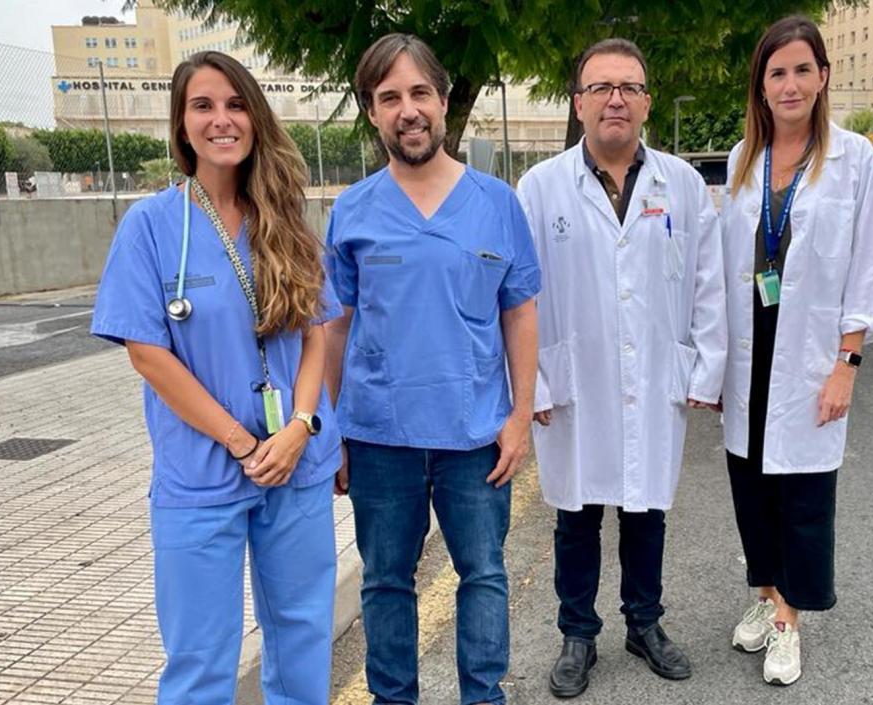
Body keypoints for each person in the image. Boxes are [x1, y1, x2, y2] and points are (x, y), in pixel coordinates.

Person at [90, 51, 342, 705]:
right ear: (180, 124)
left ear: (255, 118)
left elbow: (316, 334)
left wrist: (300, 427)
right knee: (201, 657)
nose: (221, 119)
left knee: (302, 637)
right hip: (200, 476)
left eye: (235, 104)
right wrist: (239, 439)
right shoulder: (150, 226)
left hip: (295, 465)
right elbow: (147, 353)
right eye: (203, 105)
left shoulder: (286, 218)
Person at [324, 34, 541, 705]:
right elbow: (333, 324)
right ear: (372, 112)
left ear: (444, 102)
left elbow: (520, 313)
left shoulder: (497, 202)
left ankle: (484, 695)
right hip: (380, 436)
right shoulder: (353, 211)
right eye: (390, 97)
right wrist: (330, 427)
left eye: (420, 93)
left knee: (482, 574)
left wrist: (519, 417)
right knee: (385, 580)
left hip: (475, 436)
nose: (408, 109)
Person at [516, 38, 727, 698]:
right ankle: (577, 632)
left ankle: (645, 623)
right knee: (575, 513)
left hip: (654, 373)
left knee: (646, 510)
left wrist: (706, 368)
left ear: (646, 103)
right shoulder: (540, 187)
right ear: (578, 103)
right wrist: (534, 382)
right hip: (572, 377)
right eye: (601, 87)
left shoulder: (683, 185)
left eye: (629, 87)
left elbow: (708, 283)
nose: (616, 98)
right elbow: (520, 297)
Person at [720, 16, 873, 687]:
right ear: (761, 87)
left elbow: (868, 265)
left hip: (813, 347)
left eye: (801, 70)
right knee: (751, 487)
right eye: (776, 72)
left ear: (822, 78)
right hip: (750, 347)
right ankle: (766, 594)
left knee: (804, 494)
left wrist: (848, 362)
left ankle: (789, 618)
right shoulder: (742, 160)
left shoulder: (853, 159)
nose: (789, 84)